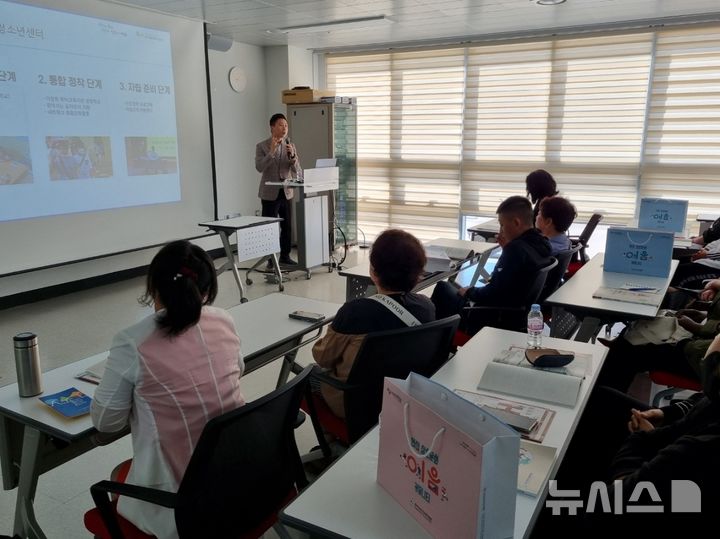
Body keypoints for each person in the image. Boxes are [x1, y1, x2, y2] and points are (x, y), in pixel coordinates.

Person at [91, 240, 245, 539]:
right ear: (207, 288)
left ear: (154, 289)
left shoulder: (132, 341)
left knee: (117, 479)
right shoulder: (224, 320)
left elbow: (106, 422)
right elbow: (238, 370)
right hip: (238, 479)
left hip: (181, 506)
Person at [536, 336, 720, 536]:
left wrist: (642, 437)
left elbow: (616, 501)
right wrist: (666, 414)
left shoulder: (700, 452)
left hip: (630, 500)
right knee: (600, 400)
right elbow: (700, 401)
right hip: (661, 446)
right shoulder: (713, 401)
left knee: (549, 509)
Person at [312, 229, 435, 417]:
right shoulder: (426, 307)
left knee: (307, 376)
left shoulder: (354, 312)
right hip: (404, 401)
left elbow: (323, 357)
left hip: (357, 404)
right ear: (418, 275)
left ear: (373, 271)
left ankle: (332, 440)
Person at [431, 196, 552, 335]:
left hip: (489, 318)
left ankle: (435, 341)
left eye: (502, 225)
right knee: (453, 289)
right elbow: (511, 280)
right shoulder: (543, 244)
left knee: (442, 288)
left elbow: (492, 293)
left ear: (516, 222)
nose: (500, 230)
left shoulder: (516, 250)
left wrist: (470, 292)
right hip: (516, 316)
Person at [596, 277, 720, 393]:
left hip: (704, 357)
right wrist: (703, 316)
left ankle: (601, 402)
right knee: (633, 336)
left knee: (628, 352)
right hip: (704, 341)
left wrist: (698, 327)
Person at [255, 113, 302, 266]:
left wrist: (293, 157)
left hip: (286, 192)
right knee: (269, 228)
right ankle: (270, 259)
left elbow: (297, 170)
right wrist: (272, 152)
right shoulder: (261, 146)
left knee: (287, 226)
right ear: (272, 127)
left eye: (286, 126)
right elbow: (259, 167)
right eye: (281, 125)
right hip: (269, 194)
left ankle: (285, 256)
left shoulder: (290, 145)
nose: (284, 128)